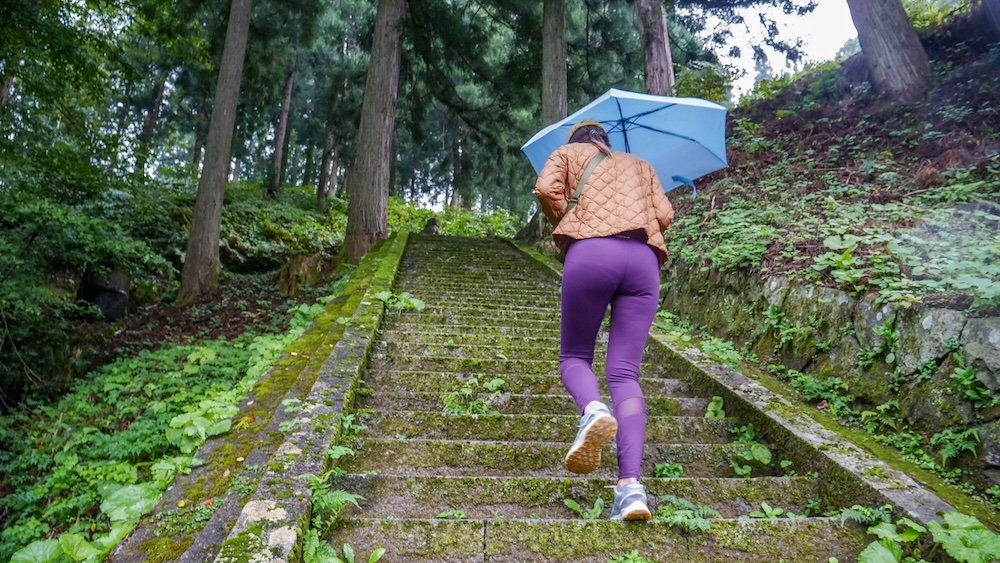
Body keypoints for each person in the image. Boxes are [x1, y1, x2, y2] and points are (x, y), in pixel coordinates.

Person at [534, 120, 674, 521]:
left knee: (575, 358)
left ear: (576, 142)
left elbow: (546, 189)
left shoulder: (566, 155)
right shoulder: (640, 164)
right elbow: (665, 214)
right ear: (605, 141)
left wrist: (571, 217)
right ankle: (630, 489)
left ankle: (593, 410)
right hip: (643, 263)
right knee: (625, 375)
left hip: (591, 256)